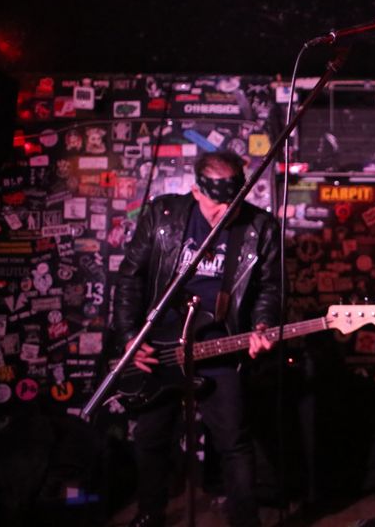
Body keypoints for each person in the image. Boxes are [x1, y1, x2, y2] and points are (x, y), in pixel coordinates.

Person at [114, 151, 281, 527]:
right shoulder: (163, 215)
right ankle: (150, 512)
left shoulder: (260, 227)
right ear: (195, 191)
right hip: (161, 347)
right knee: (151, 436)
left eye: (232, 206)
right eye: (215, 205)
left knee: (234, 442)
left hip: (218, 345)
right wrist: (129, 338)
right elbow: (130, 277)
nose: (223, 213)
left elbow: (269, 288)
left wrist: (262, 326)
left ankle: (245, 521)